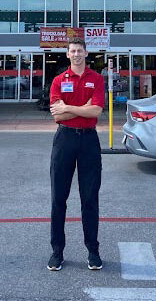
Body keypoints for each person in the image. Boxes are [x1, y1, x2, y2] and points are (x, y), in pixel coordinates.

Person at [47, 38, 105, 272]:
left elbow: (96, 112)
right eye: (73, 51)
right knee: (58, 199)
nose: (77, 54)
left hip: (89, 141)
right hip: (65, 140)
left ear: (86, 53)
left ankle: (93, 251)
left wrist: (68, 107)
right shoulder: (59, 80)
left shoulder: (96, 79)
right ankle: (57, 252)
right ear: (68, 55)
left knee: (89, 199)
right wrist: (83, 108)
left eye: (80, 50)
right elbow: (57, 117)